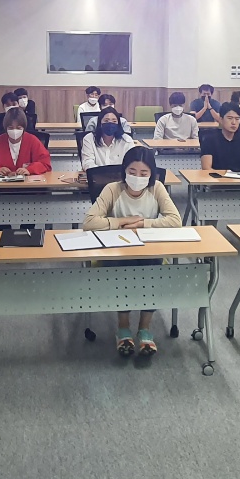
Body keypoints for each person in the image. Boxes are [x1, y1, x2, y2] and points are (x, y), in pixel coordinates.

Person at [82, 147, 181, 357]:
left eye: (144, 173)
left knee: (152, 267)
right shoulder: (112, 189)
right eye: (132, 171)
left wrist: (143, 224)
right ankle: (123, 328)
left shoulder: (157, 188)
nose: (137, 177)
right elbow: (89, 222)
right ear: (124, 171)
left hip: (148, 251)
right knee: (121, 268)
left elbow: (175, 220)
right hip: (117, 251)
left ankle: (145, 329)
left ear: (151, 174)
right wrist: (122, 221)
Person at [0, 107, 52, 176]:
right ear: (5, 128)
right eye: (10, 128)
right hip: (3, 185)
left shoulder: (32, 140)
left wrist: (29, 170)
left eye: (18, 128)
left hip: (27, 185)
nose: (14, 131)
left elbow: (45, 163)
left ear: (24, 128)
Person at [199, 102, 240, 172]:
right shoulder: (209, 139)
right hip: (217, 177)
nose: (234, 122)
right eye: (230, 118)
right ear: (221, 119)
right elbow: (206, 168)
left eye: (237, 119)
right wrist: (224, 176)